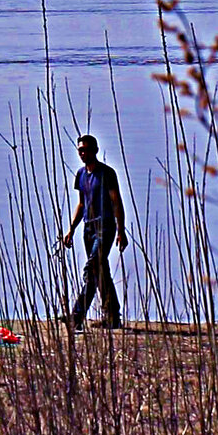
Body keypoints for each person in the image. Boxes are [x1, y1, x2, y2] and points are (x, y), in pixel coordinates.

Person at [61, 134, 128, 330]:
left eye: (86, 149)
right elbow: (81, 204)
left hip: (105, 227)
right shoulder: (81, 175)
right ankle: (113, 316)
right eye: (80, 150)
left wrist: (121, 231)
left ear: (95, 150)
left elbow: (117, 203)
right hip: (88, 228)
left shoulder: (107, 173)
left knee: (92, 267)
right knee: (100, 271)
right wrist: (71, 229)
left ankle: (76, 315)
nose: (83, 153)